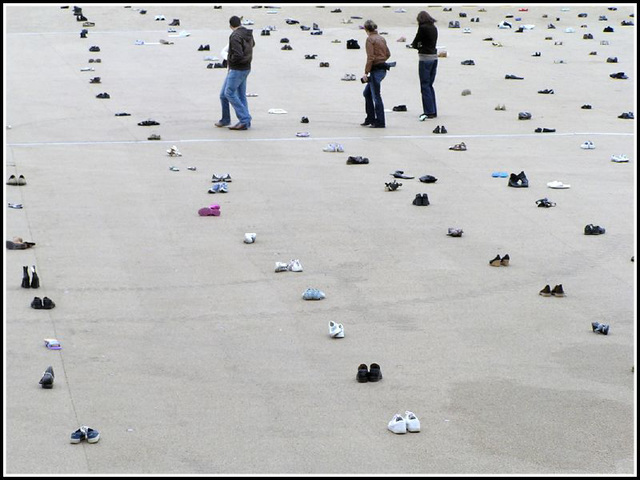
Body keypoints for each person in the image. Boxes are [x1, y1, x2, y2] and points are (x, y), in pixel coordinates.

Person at [215, 15, 255, 131]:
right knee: (225, 95)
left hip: (237, 69)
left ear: (231, 26)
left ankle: (245, 119)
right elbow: (252, 45)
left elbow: (237, 54)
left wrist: (228, 60)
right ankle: (226, 119)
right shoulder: (248, 33)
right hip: (245, 67)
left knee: (229, 93)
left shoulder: (235, 36)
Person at [361, 19, 391, 128]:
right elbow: (388, 53)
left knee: (376, 96)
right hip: (383, 68)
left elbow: (370, 57)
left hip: (375, 70)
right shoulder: (381, 38)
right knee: (367, 93)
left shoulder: (370, 40)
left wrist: (366, 72)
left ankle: (380, 121)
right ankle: (370, 118)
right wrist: (382, 59)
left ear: (366, 29)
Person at [411, 11, 439, 121]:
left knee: (425, 85)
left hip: (425, 58)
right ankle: (433, 110)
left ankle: (429, 111)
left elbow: (416, 41)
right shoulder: (433, 27)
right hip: (434, 57)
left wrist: (416, 46)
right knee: (430, 85)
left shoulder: (422, 28)